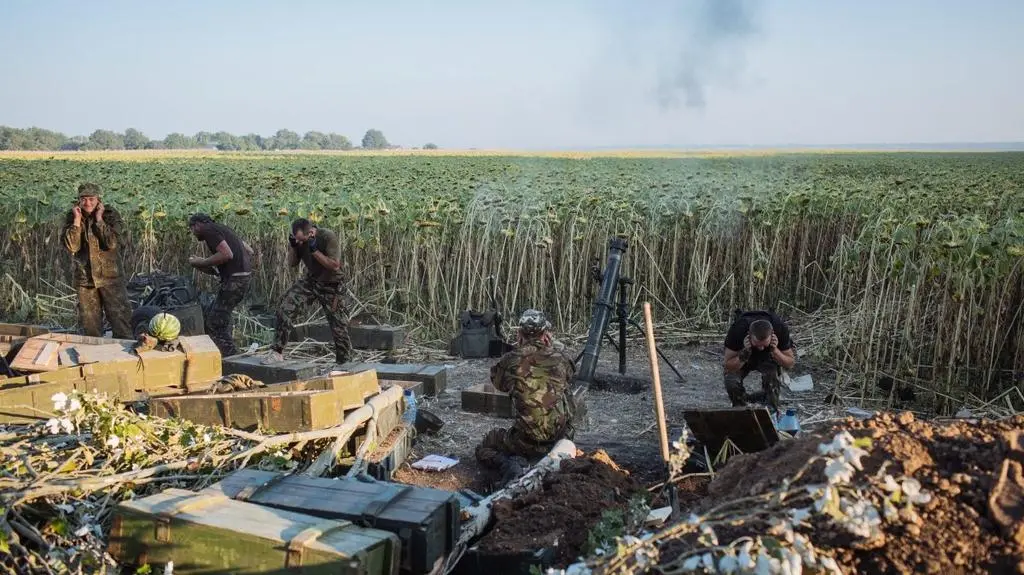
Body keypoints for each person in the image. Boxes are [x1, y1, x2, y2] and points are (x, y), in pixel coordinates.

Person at [475, 309, 577, 483]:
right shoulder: (561, 359)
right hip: (561, 437)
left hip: (524, 441)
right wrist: (551, 349)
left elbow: (499, 384)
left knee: (486, 445)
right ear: (546, 334)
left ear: (519, 333)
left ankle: (509, 465)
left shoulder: (510, 360)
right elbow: (569, 375)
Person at [263, 218, 351, 364]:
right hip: (312, 281)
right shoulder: (299, 241)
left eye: (301, 240)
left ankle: (345, 363)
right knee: (284, 307)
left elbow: (334, 265)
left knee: (338, 327)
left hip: (332, 284)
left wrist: (314, 250)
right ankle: (277, 352)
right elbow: (292, 264)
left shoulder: (327, 237)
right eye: (296, 239)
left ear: (310, 233)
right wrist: (293, 247)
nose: (300, 242)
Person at [60, 183, 132, 338]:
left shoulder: (110, 214)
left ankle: (124, 359)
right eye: (84, 199)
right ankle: (95, 359)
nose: (88, 203)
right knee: (90, 327)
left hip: (110, 278)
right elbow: (72, 246)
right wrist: (77, 221)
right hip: (85, 280)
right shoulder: (72, 216)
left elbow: (112, 243)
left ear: (99, 200)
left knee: (122, 323)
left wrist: (99, 220)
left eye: (91, 199)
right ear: (78, 200)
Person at [187, 213, 255, 357]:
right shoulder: (224, 229)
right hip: (243, 279)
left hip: (234, 282)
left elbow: (227, 254)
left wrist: (202, 262)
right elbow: (249, 250)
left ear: (198, 225)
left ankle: (230, 358)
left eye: (192, 229)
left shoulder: (209, 230)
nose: (192, 233)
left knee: (214, 322)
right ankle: (230, 352)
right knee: (221, 316)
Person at [722, 309, 796, 411]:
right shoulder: (737, 330)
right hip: (744, 355)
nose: (761, 348)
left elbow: (790, 363)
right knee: (731, 380)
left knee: (772, 378)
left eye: (764, 345)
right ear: (748, 335)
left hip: (768, 358)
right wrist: (744, 354)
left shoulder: (779, 328)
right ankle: (740, 407)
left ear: (772, 335)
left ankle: (771, 408)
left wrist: (775, 351)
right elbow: (728, 366)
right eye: (757, 344)